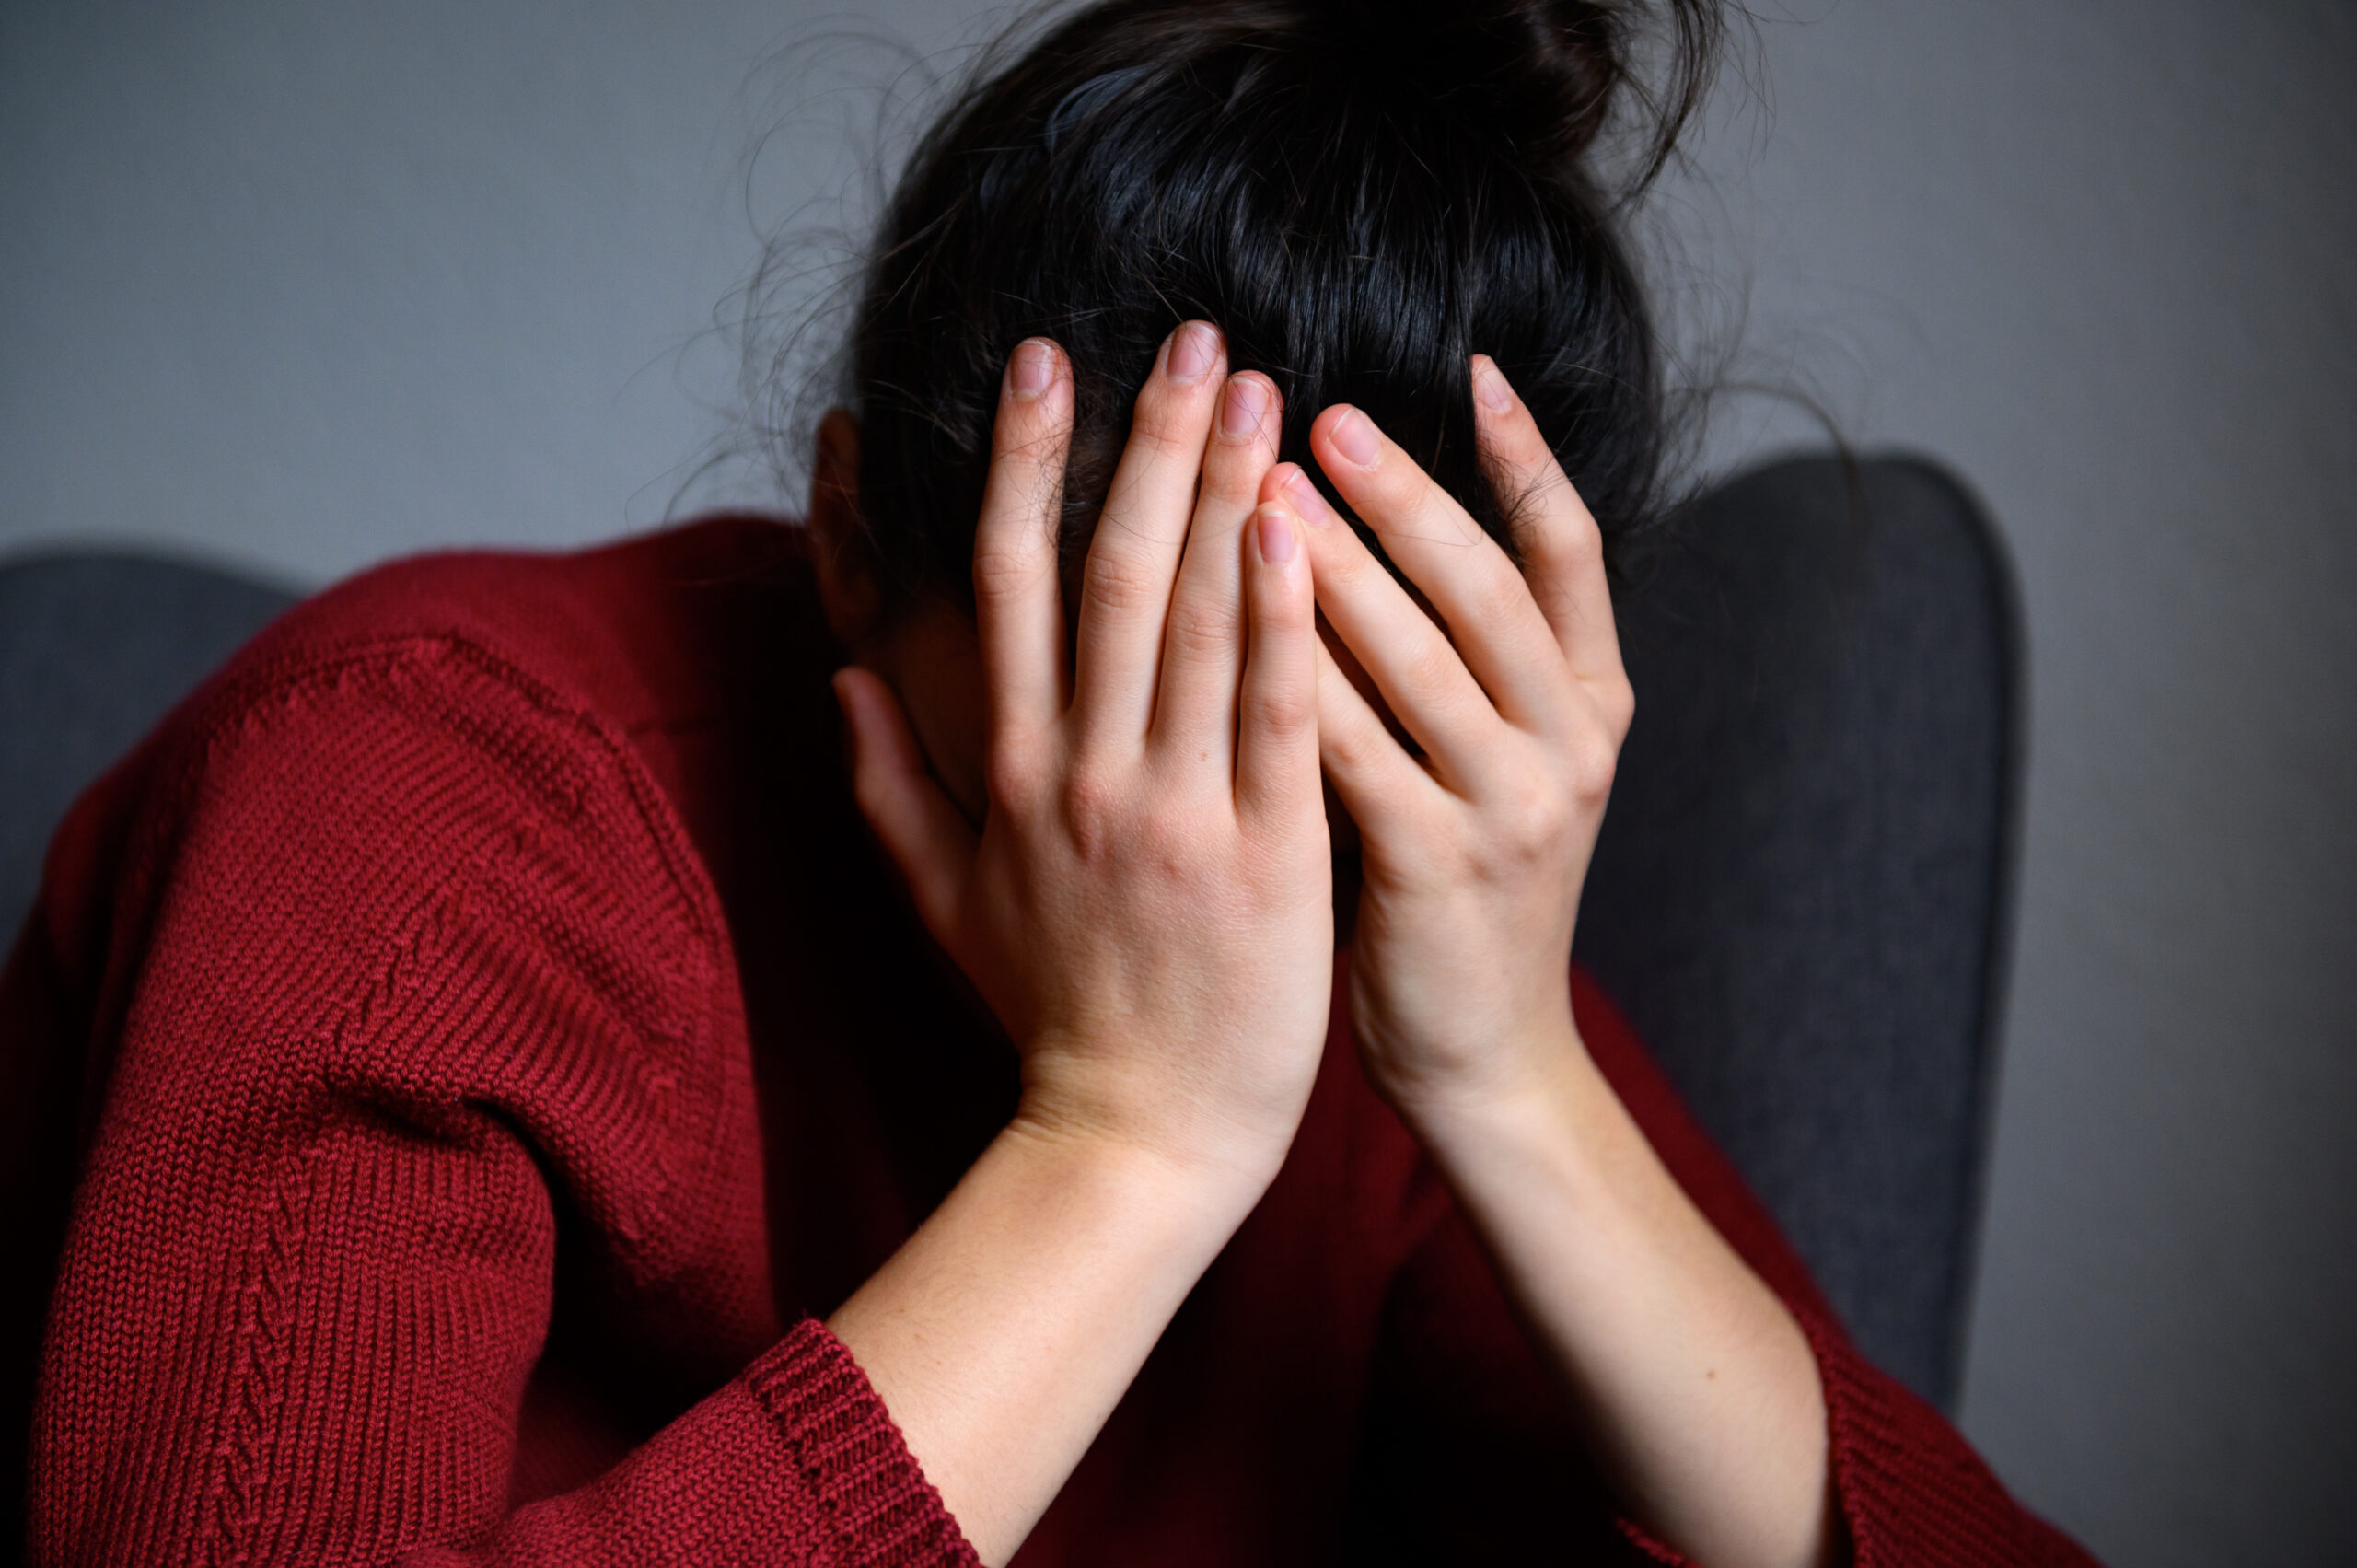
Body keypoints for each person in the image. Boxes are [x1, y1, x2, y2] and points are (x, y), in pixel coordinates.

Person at [0, 1, 2096, 1563]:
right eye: (1106, 715)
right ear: (845, 538)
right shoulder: (400, 796)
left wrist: (1504, 1076)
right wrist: (1130, 1141)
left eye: (1341, 752)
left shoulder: (1411, 926)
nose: (1222, 854)